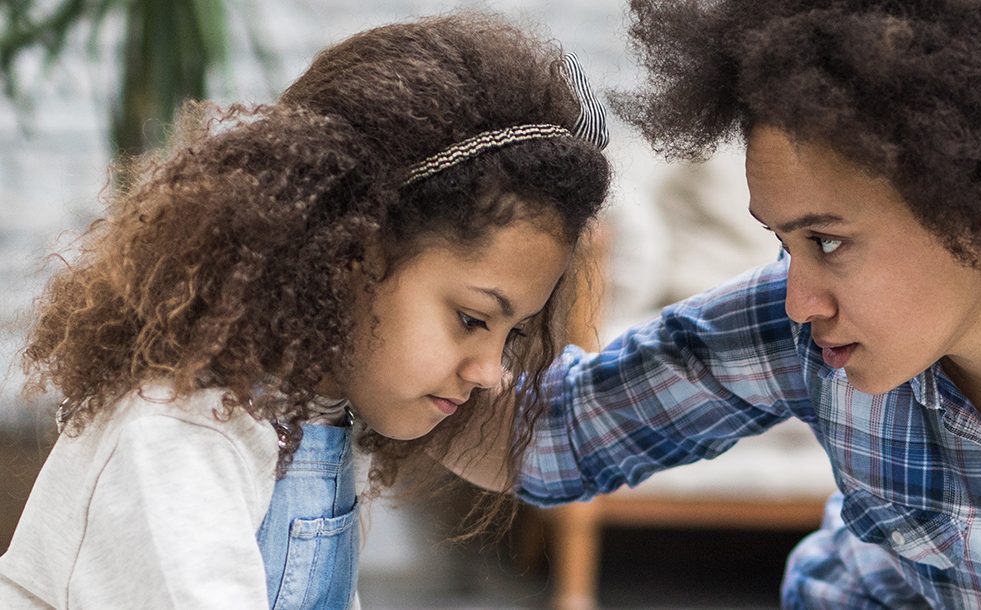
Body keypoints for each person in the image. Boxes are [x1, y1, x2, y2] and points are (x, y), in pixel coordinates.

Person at [459, 0, 981, 607]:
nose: (799, 301)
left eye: (829, 242)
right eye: (784, 243)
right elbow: (556, 435)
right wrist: (371, 343)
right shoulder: (807, 338)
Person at [0, 14, 609, 610]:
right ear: (353, 253)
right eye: (474, 319)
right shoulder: (182, 437)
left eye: (515, 333)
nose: (491, 371)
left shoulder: (322, 409)